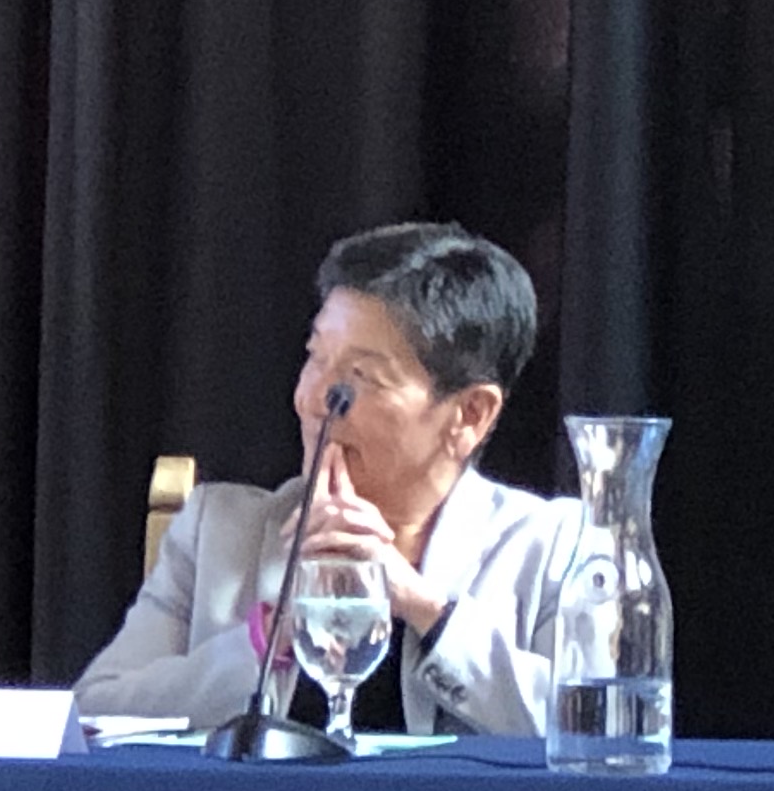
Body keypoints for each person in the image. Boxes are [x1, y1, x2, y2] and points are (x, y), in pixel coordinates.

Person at [79, 223, 576, 738]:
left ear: (470, 414)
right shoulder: (219, 532)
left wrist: (419, 604)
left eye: (361, 376)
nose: (314, 399)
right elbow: (97, 711)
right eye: (315, 357)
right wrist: (272, 636)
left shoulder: (552, 546)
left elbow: (596, 734)